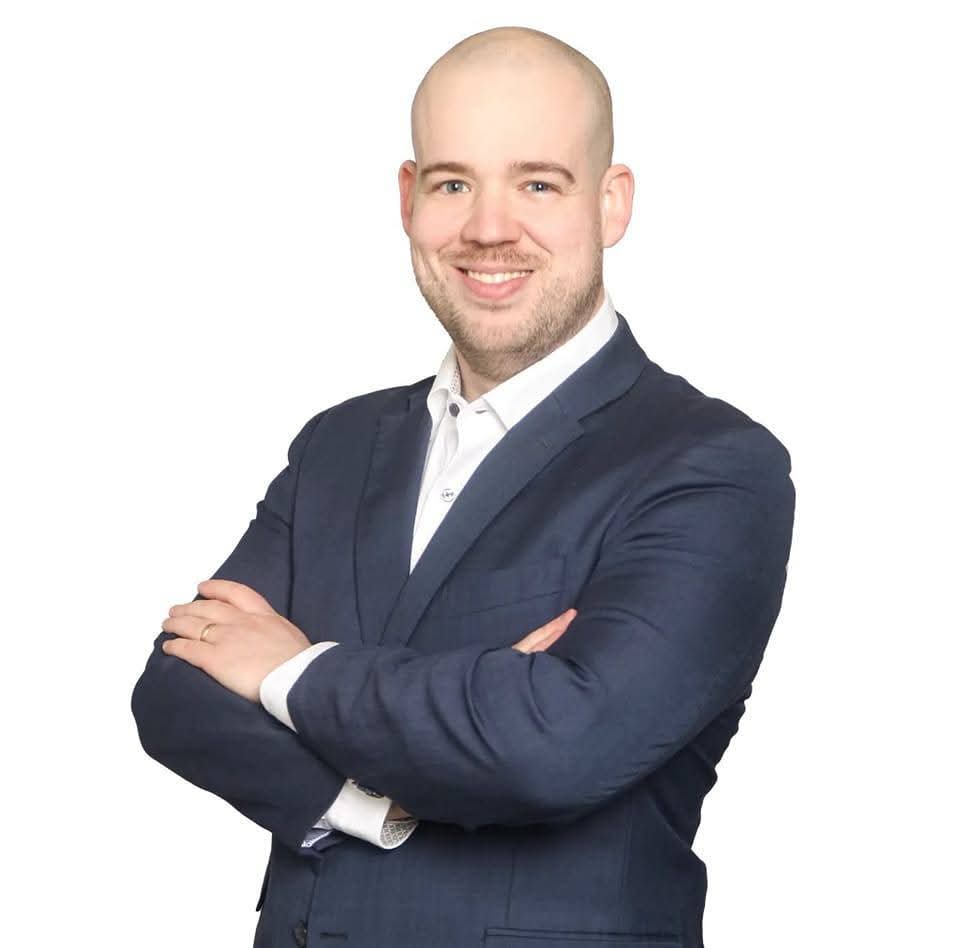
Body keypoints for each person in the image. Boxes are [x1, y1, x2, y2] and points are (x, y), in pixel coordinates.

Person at [132, 25, 795, 948]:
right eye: (453, 183)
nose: (488, 228)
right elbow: (177, 688)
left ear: (611, 203)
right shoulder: (338, 444)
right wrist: (377, 794)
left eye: (538, 184)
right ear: (408, 198)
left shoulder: (711, 465)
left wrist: (286, 669)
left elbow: (552, 746)